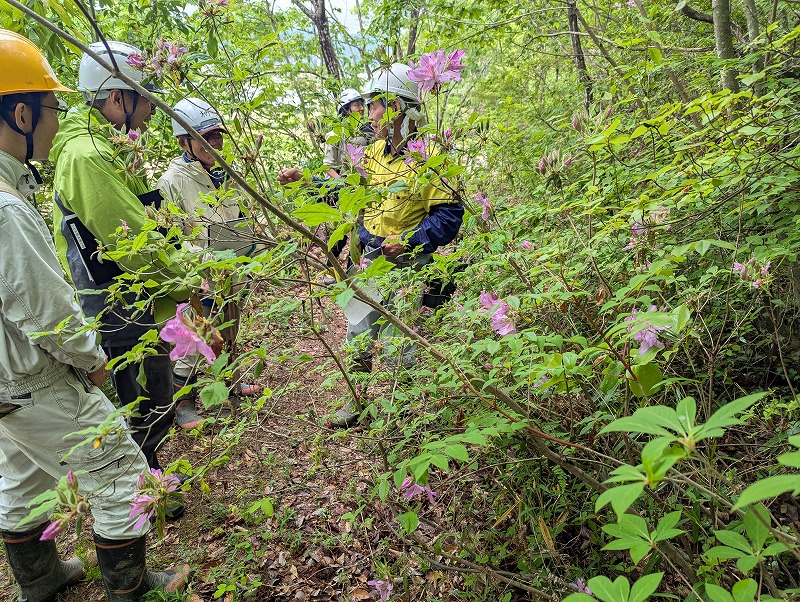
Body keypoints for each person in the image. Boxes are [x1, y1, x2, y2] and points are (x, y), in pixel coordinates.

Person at [0, 30, 188, 601]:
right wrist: (93, 361)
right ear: (23, 112)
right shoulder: (7, 209)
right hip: (30, 375)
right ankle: (131, 592)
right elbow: (45, 307)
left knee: (21, 474)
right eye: (52, 107)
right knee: (118, 472)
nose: (57, 121)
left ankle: (41, 579)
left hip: (6, 381)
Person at [278, 63, 464, 427]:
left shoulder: (428, 157)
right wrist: (305, 182)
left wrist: (410, 240)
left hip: (408, 265)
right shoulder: (375, 151)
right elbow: (351, 194)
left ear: (397, 108)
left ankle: (400, 414)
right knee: (358, 332)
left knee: (400, 343)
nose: (369, 113)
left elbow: (450, 214)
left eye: (375, 105)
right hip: (369, 260)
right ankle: (355, 402)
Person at [50, 41, 190, 484]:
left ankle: (149, 474)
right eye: (144, 98)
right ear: (116, 98)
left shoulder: (107, 148)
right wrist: (190, 279)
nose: (150, 109)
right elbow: (131, 240)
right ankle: (145, 487)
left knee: (151, 389)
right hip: (117, 303)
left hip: (132, 296)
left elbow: (145, 222)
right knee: (143, 394)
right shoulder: (87, 156)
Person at [156, 97, 260, 428]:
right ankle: (183, 401)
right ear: (184, 141)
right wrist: (202, 262)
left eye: (217, 135)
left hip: (233, 267)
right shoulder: (172, 181)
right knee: (195, 336)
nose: (214, 143)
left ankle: (228, 384)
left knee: (229, 326)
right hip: (200, 275)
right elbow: (172, 238)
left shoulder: (225, 171)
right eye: (206, 137)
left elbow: (241, 217)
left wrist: (253, 249)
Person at [319, 87, 374, 285]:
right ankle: (330, 270)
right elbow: (327, 165)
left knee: (361, 233)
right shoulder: (335, 133)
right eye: (356, 105)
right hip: (346, 189)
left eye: (361, 104)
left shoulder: (369, 130)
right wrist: (342, 183)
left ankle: (353, 271)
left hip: (367, 187)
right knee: (342, 231)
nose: (361, 108)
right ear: (345, 109)